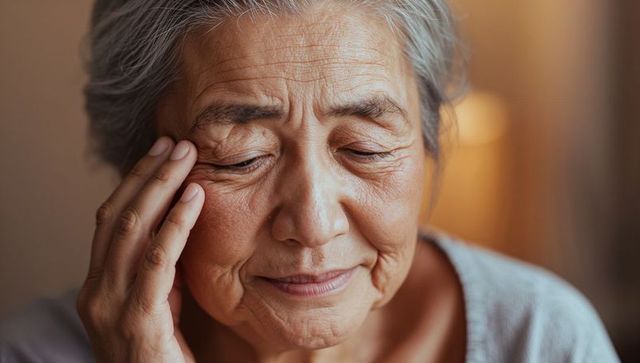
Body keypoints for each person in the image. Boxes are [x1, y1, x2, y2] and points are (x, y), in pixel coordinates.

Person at [0, 0, 620, 362]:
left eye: (365, 147)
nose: (315, 222)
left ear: (427, 137)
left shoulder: (541, 339)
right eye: (243, 157)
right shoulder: (33, 353)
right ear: (139, 173)